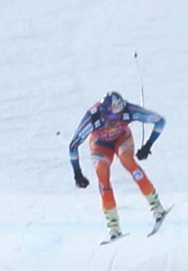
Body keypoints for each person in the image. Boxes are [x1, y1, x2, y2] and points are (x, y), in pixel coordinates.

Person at [68, 91, 167, 240]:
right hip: (100, 144)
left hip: (122, 138)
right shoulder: (92, 117)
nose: (115, 121)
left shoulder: (128, 110)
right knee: (102, 173)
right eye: (111, 117)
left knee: (128, 161)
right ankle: (113, 226)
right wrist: (77, 173)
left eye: (118, 116)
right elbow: (73, 145)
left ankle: (156, 206)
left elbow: (160, 121)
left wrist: (148, 146)